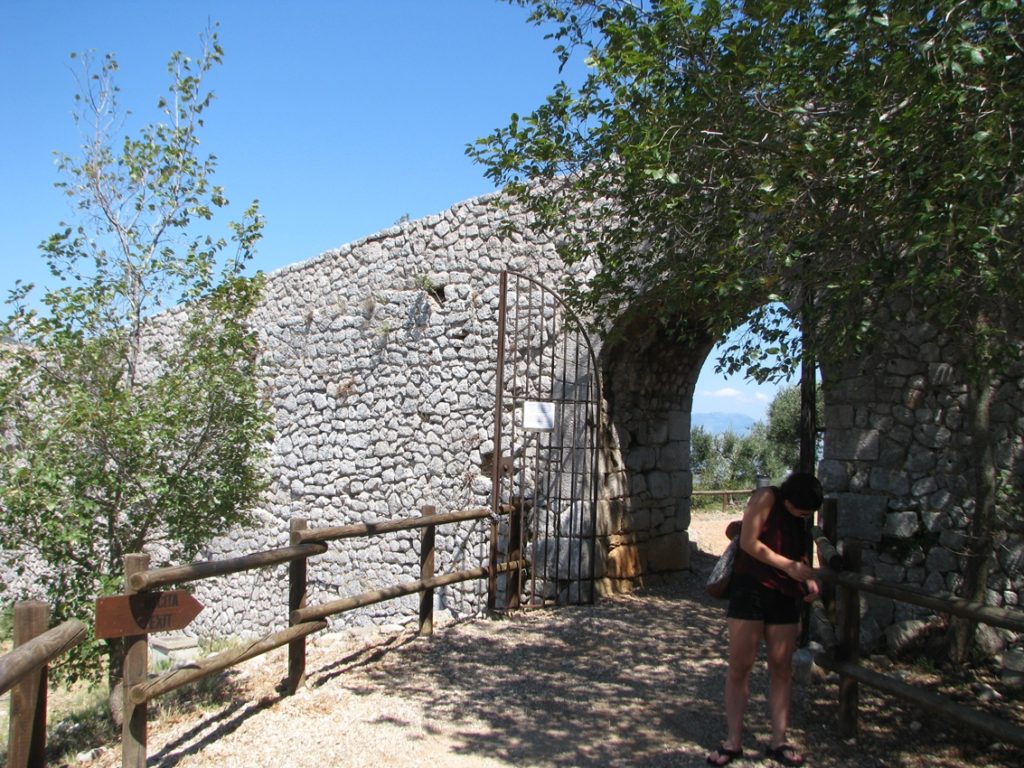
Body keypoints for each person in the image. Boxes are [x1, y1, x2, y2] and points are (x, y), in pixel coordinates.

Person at [706, 472, 823, 767]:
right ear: (790, 498)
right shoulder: (766, 498)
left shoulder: (799, 515)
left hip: (784, 594)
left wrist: (807, 578)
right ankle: (733, 741)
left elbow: (798, 551)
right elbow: (748, 541)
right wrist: (789, 567)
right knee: (740, 666)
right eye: (802, 510)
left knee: (781, 668)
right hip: (750, 589)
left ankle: (779, 741)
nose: (805, 516)